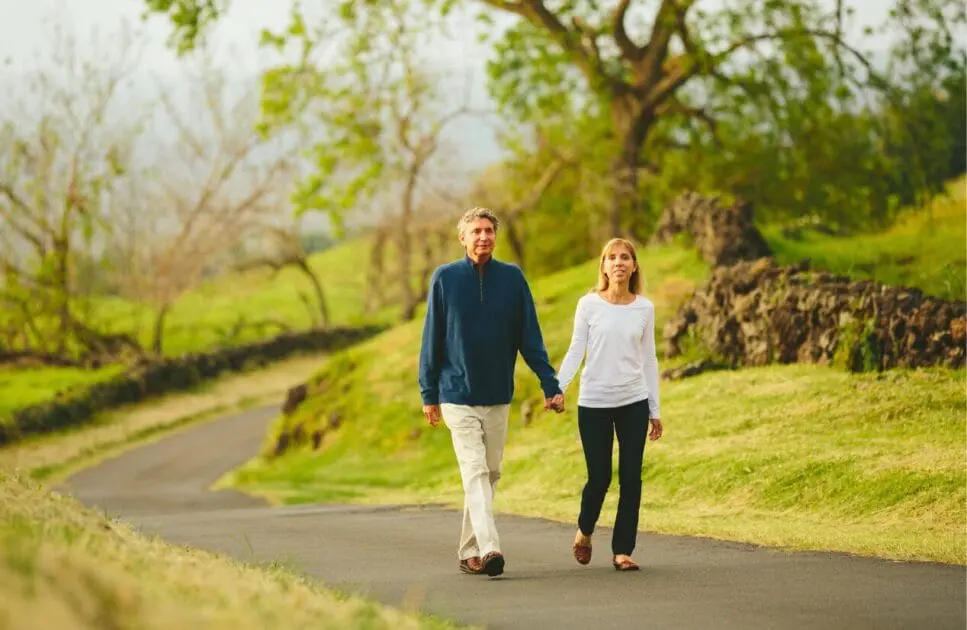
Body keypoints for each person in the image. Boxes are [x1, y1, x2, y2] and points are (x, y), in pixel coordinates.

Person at [418, 206, 564, 578]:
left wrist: (550, 383)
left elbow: (529, 336)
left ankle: (469, 549)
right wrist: (428, 393)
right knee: (474, 470)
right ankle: (490, 547)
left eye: (488, 231)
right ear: (462, 238)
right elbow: (431, 338)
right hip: (456, 394)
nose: (483, 237)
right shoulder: (445, 279)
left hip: (498, 394)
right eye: (476, 231)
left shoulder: (512, 278)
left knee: (490, 473)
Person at [555, 237, 664, 572]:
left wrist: (654, 409)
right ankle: (585, 532)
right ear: (603, 266)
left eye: (625, 257)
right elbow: (576, 350)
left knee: (631, 477)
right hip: (594, 402)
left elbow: (649, 360)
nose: (618, 263)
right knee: (599, 477)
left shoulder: (644, 308)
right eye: (612, 257)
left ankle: (622, 551)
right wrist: (558, 388)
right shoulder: (588, 305)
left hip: (633, 400)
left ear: (634, 266)